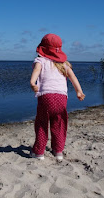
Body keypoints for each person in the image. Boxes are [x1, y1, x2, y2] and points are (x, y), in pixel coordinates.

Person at [30, 33, 85, 161]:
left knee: (42, 124)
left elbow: (36, 71)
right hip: (61, 99)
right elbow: (72, 77)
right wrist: (79, 91)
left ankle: (39, 152)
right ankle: (58, 151)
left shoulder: (41, 60)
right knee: (59, 123)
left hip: (46, 97)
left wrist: (33, 83)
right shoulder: (64, 64)